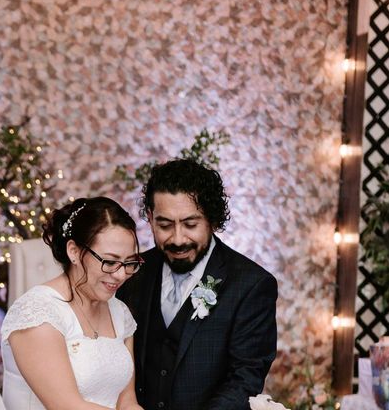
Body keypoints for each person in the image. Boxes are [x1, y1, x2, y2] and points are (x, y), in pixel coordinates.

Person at [117, 159, 278, 410]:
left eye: (191, 224)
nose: (178, 239)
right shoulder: (132, 272)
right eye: (164, 225)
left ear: (211, 219)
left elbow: (244, 379)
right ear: (149, 217)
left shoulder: (252, 285)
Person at [1, 196, 145, 410]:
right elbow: (68, 406)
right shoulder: (37, 313)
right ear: (74, 252)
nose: (121, 274)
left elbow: (127, 402)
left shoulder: (119, 311)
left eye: (129, 262)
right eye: (110, 262)